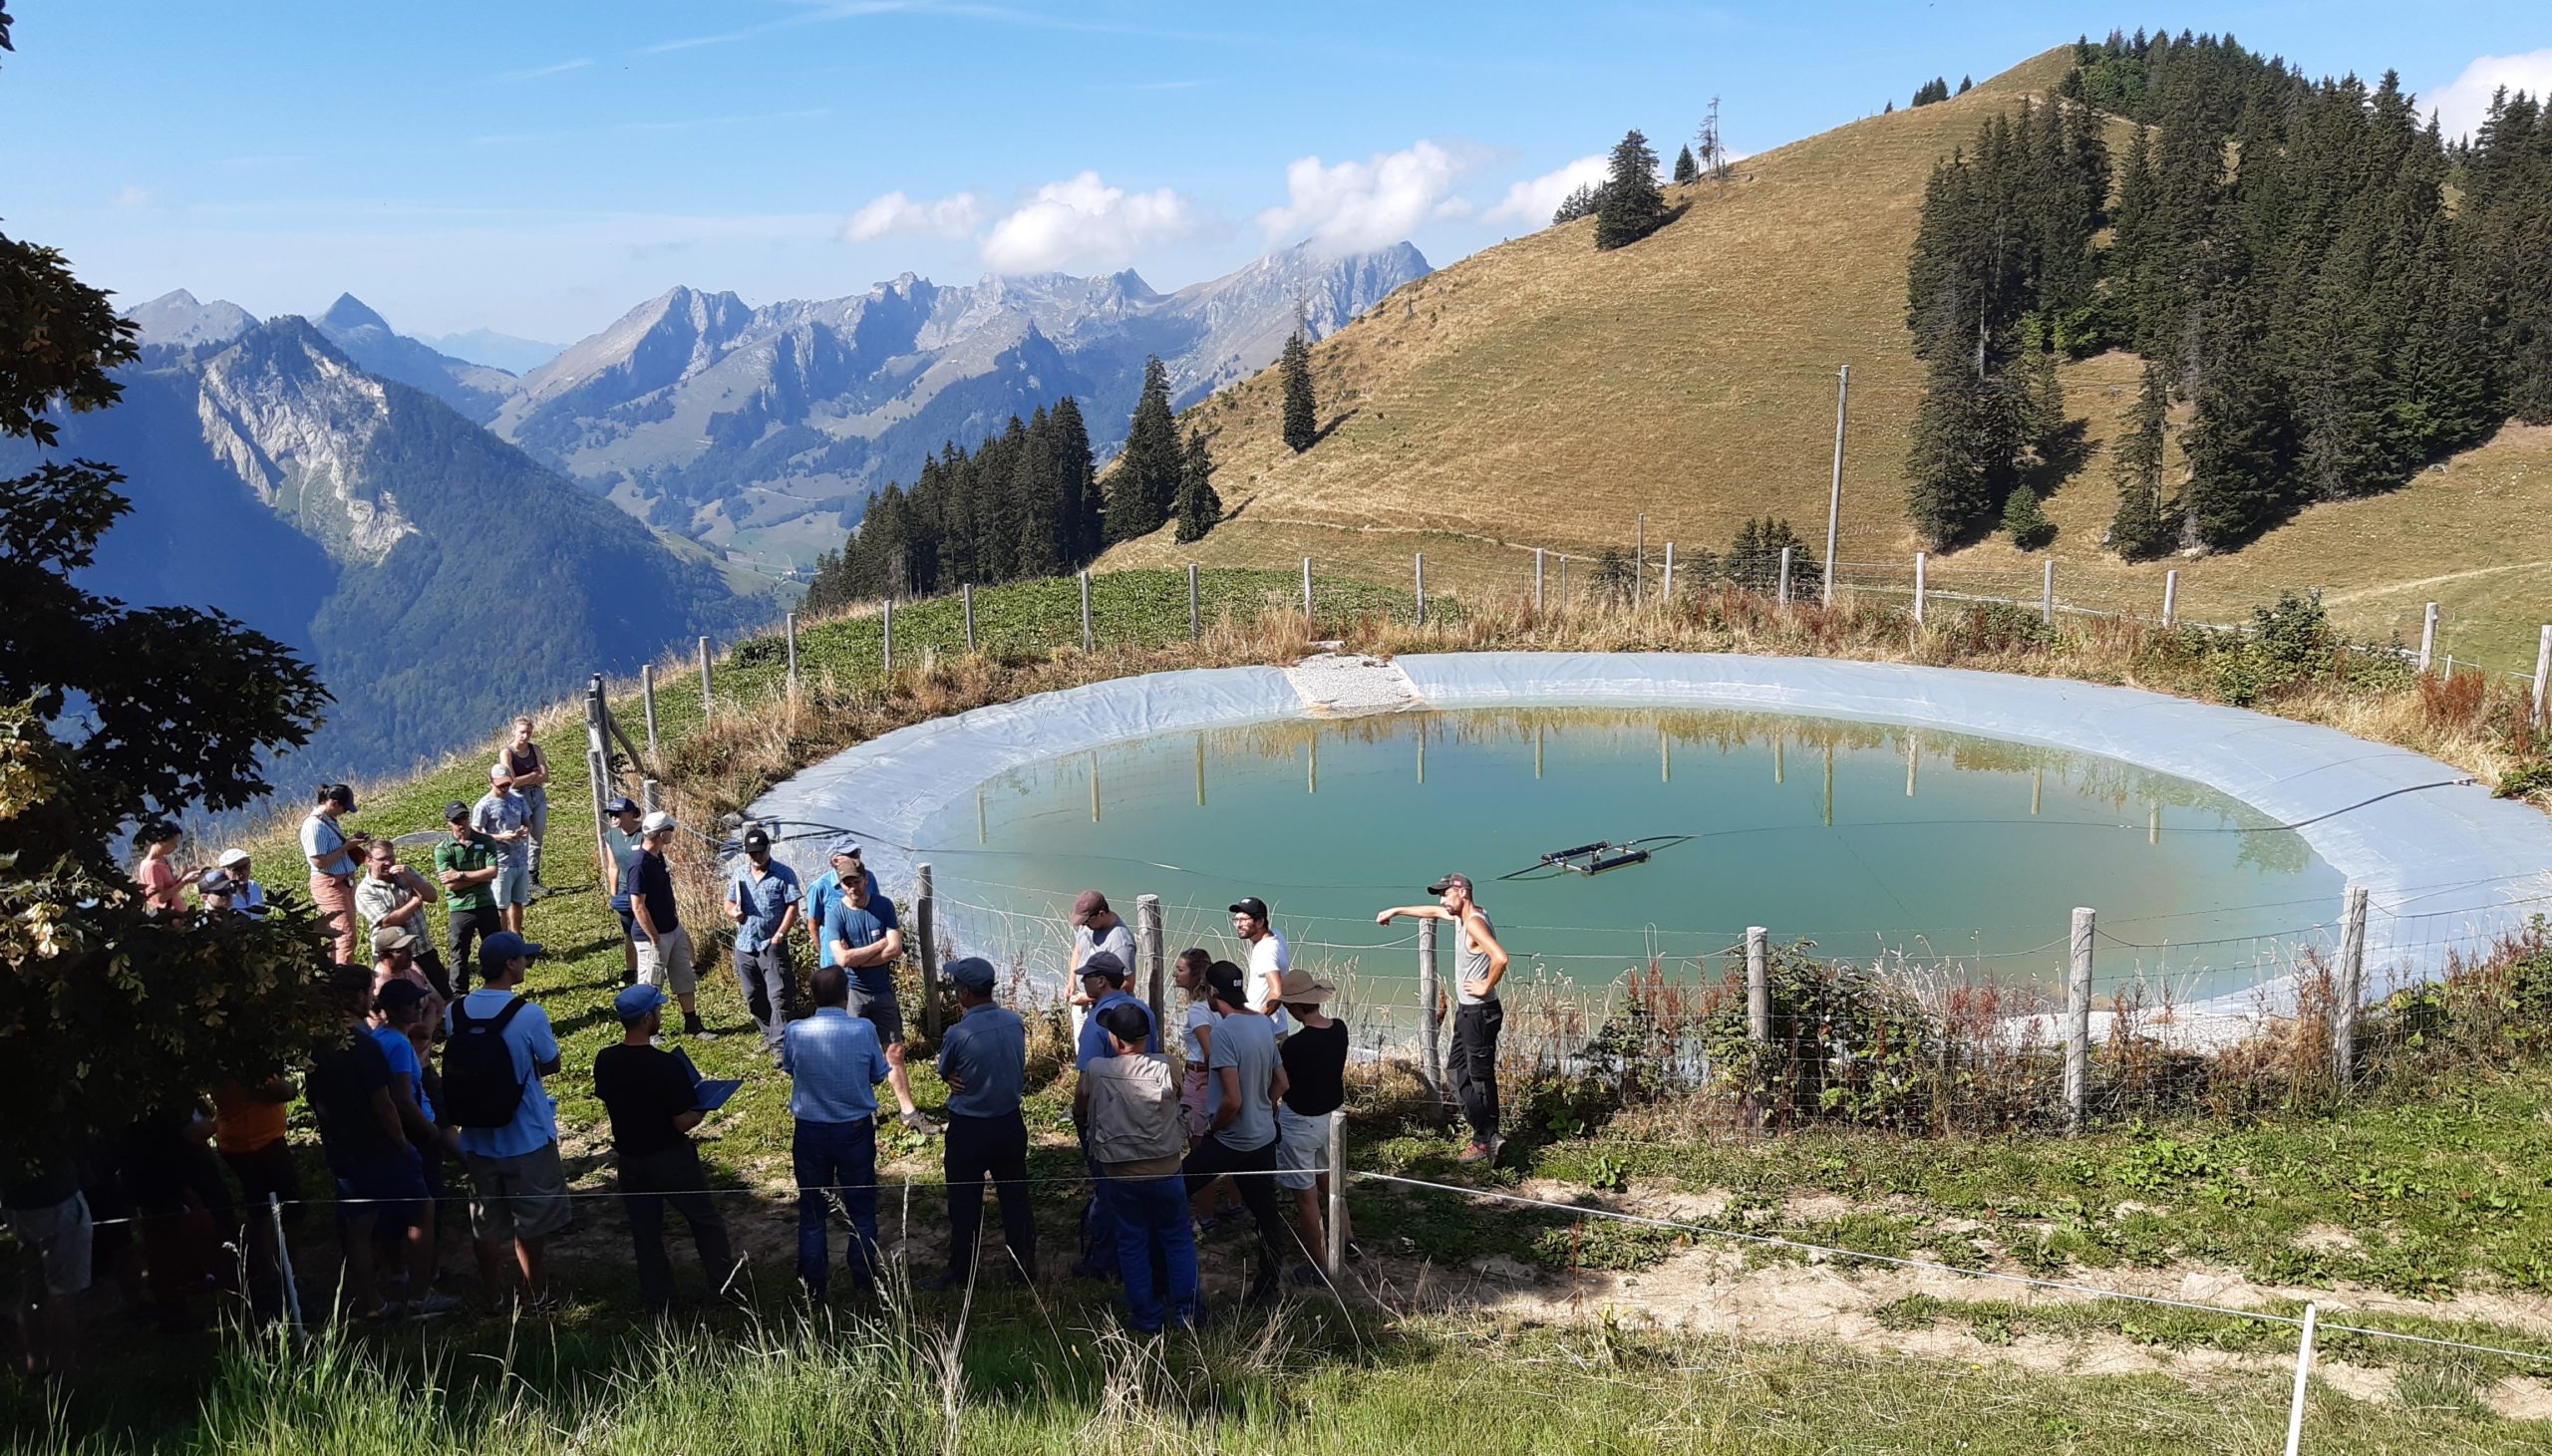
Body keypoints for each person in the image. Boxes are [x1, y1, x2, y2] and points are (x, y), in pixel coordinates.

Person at [307, 964, 451, 1319]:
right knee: (422, 1210)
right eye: (369, 991)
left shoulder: (320, 1045)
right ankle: (421, 1296)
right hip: (380, 1147)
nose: (372, 997)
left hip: (341, 1147)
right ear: (357, 996)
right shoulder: (364, 1046)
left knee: (359, 1225)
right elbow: (385, 1105)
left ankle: (373, 1303)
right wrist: (403, 1144)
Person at [441, 931, 568, 1312]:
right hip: (526, 1133)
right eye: (523, 959)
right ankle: (536, 1294)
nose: (526, 964)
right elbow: (552, 1062)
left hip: (477, 1137)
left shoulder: (455, 1011)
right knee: (530, 1223)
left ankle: (494, 1296)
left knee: (486, 1223)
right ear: (510, 965)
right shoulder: (528, 1013)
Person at [593, 985, 740, 1313]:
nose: (660, 1015)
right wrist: (704, 1107)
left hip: (630, 1159)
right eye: (657, 1011)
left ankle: (659, 1302)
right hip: (670, 1157)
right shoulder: (665, 1066)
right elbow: (682, 1122)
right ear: (647, 1019)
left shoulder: (606, 1060)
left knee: (646, 1234)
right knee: (704, 1221)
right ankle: (724, 1289)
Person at [1076, 1002, 1199, 1333]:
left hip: (1118, 1171)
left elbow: (1080, 1104)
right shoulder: (1168, 1065)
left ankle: (1146, 1316)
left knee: (1131, 1241)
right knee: (1177, 1239)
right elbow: (1180, 1096)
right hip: (1166, 1167)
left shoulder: (1097, 1069)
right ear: (1147, 1036)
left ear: (1115, 1039)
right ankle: (1187, 1312)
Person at [1378, 873, 1510, 1165]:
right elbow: (1432, 912)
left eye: (1445, 894)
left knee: (1478, 1078)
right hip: (1469, 1012)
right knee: (1457, 1072)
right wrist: (1396, 911)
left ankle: (1486, 1138)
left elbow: (1500, 957)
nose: (1441, 900)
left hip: (1479, 1012)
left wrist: (1486, 986)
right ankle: (1487, 1136)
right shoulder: (1464, 916)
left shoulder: (1474, 922)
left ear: (1462, 893)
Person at [1181, 962, 1290, 1307]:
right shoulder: (1262, 1022)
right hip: (1263, 1137)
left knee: (1172, 1188)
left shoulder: (1224, 1033)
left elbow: (1231, 1099)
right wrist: (1264, 1105)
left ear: (1213, 993)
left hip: (1230, 1138)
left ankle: (1161, 1272)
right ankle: (1267, 1285)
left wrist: (1215, 1127)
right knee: (1266, 1214)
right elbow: (1282, 1083)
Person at [784, 965, 891, 1299]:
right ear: (847, 996)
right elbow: (878, 1074)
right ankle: (863, 1280)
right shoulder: (863, 1030)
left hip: (811, 1130)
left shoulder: (796, 1031)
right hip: (854, 1130)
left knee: (813, 1210)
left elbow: (790, 1067)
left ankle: (812, 1287)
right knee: (860, 1208)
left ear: (813, 997)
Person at [930, 957, 1034, 1292]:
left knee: (964, 1203)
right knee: (1016, 1200)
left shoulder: (958, 1033)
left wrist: (949, 1076)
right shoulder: (1015, 1022)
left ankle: (962, 1272)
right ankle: (1023, 1271)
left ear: (963, 994)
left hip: (969, 1128)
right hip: (1009, 1122)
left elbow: (945, 1069)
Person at [368, 979, 460, 1314]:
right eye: (413, 1003)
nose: (419, 1007)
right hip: (416, 1135)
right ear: (395, 1010)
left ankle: (400, 1273)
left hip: (399, 1136)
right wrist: (431, 1132)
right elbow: (403, 1099)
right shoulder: (397, 1044)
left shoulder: (382, 1038)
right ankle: (425, 1282)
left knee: (395, 1209)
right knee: (428, 1206)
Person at [823, 864, 935, 1132]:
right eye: (846, 883)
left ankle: (909, 1112)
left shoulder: (884, 906)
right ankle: (865, 1109)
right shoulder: (835, 913)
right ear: (841, 886)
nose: (852, 887)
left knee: (895, 1051)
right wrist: (877, 947)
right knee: (856, 1054)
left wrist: (858, 958)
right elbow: (842, 959)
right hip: (853, 995)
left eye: (856, 881)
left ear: (866, 879)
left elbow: (895, 948)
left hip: (883, 991)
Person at [1071, 950, 1158, 1277]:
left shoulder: (1098, 1022)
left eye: (1087, 976)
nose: (1082, 981)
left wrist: (1080, 1117)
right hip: (1147, 1112)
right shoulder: (1144, 1011)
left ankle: (1104, 1261)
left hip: (1108, 1119)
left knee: (1107, 1187)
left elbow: (1085, 1082)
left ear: (1101, 981)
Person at [1274, 968, 1355, 1277]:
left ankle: (1321, 1264)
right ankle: (1347, 1240)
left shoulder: (1294, 1046)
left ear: (1294, 1008)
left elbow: (1283, 1083)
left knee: (1305, 1196)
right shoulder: (1340, 1030)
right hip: (1332, 1117)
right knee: (1331, 1181)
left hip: (1300, 1122)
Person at [209, 1071, 300, 1321]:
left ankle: (272, 1274)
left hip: (243, 1141)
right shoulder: (245, 1063)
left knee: (261, 1211)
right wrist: (287, 1088)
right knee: (269, 1213)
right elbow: (281, 1091)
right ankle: (275, 1278)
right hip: (257, 1145)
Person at [2, 1148, 91, 1374]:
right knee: (62, 1294)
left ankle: (37, 1367)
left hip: (15, 1202)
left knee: (32, 1290)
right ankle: (64, 1372)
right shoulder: (46, 1119)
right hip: (55, 1199)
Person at [725, 826, 802, 1056]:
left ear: (769, 849)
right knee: (753, 995)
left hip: (771, 945)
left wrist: (780, 935)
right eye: (751, 853)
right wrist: (733, 913)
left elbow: (792, 906)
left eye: (760, 852)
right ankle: (768, 1033)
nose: (756, 857)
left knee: (778, 995)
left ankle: (781, 1045)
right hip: (745, 945)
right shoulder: (739, 874)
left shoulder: (784, 874)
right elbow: (728, 903)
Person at [629, 810, 707, 1038]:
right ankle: (650, 1031)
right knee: (651, 983)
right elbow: (638, 906)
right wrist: (653, 937)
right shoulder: (640, 864)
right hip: (652, 936)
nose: (673, 832)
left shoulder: (658, 856)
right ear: (661, 835)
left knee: (684, 975)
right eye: (670, 830)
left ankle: (692, 1023)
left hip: (673, 930)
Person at [357, 839, 449, 1000]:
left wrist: (411, 879)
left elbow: (432, 896)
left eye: (391, 857)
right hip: (394, 957)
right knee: (404, 1004)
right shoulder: (365, 891)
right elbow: (387, 922)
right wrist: (414, 901)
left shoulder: (406, 873)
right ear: (368, 860)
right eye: (382, 859)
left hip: (423, 947)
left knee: (443, 995)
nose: (388, 862)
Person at [434, 800, 504, 997]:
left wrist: (461, 875)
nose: (461, 823)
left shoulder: (486, 841)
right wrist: (478, 877)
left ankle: (497, 988)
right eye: (456, 820)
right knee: (459, 954)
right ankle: (459, 995)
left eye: (464, 818)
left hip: (486, 904)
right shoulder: (443, 849)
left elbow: (492, 872)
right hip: (460, 908)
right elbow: (450, 885)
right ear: (449, 822)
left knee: (494, 950)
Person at [303, 784, 364, 965]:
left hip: (343, 882)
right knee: (345, 936)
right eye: (344, 808)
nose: (344, 812)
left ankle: (336, 972)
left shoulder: (328, 820)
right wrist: (346, 847)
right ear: (334, 803)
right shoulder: (315, 825)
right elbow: (319, 862)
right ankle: (346, 979)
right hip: (330, 884)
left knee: (342, 935)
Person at [472, 765, 534, 934]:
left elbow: (528, 821)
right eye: (501, 785)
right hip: (499, 862)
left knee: (518, 901)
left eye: (507, 784)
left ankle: (517, 935)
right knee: (501, 905)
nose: (505, 788)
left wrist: (525, 830)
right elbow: (476, 833)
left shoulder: (518, 799)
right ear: (490, 782)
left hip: (520, 859)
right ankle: (504, 937)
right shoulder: (483, 805)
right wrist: (500, 838)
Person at [1067, 890, 1136, 1035]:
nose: (1084, 925)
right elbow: (1078, 950)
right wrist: (1071, 982)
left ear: (1101, 914)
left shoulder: (1121, 942)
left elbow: (1128, 984)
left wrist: (1089, 997)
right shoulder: (1088, 925)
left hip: (1108, 1010)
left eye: (1087, 921)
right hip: (1082, 1002)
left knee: (1100, 1053)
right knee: (1084, 1052)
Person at [497, 718, 551, 890]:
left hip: (538, 796)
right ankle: (516, 879)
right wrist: (533, 775)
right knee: (520, 838)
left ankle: (532, 877)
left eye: (528, 732)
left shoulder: (535, 749)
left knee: (537, 837)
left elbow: (546, 775)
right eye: (522, 732)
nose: (525, 736)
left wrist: (528, 778)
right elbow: (511, 781)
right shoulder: (507, 753)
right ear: (514, 731)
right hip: (518, 799)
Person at [1173, 950, 1218, 1139]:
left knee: (1196, 1134)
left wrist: (1205, 1078)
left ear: (1196, 975)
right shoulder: (1215, 1004)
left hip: (1199, 1074)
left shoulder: (1198, 1011)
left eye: (1180, 969)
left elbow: (1209, 1050)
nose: (1175, 973)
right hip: (1212, 1074)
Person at [1231, 896, 1291, 1032]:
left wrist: (1258, 1021)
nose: (1238, 925)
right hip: (1277, 1026)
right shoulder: (1276, 935)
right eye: (1236, 920)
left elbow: (1277, 991)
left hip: (1264, 1031)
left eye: (1244, 920)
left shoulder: (1265, 950)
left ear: (1259, 922)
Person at [602, 796, 645, 987]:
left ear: (630, 814)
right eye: (611, 814)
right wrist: (614, 894)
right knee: (629, 932)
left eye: (617, 814)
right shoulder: (611, 836)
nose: (613, 818)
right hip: (625, 891)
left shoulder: (645, 833)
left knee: (657, 926)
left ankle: (690, 965)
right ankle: (631, 969)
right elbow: (613, 866)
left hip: (645, 889)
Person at [804, 838, 878, 942]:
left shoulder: (868, 878)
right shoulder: (820, 887)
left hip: (865, 950)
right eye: (852, 854)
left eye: (858, 852)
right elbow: (813, 924)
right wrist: (824, 953)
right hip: (834, 953)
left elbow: (878, 909)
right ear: (836, 861)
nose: (857, 857)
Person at [371, 924, 444, 1025]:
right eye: (400, 951)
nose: (410, 953)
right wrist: (428, 1019)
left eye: (409, 947)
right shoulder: (379, 985)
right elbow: (392, 1026)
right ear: (383, 956)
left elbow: (438, 1003)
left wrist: (427, 1029)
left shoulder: (413, 967)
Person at [132, 822, 196, 915]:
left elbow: (169, 888)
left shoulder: (163, 859)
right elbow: (160, 898)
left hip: (178, 913)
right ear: (160, 841)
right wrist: (184, 881)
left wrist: (184, 878)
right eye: (172, 844)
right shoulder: (152, 867)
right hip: (169, 918)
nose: (175, 847)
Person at [213, 847, 267, 917]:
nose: (243, 873)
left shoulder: (255, 887)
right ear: (223, 872)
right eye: (236, 869)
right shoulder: (220, 898)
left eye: (246, 867)